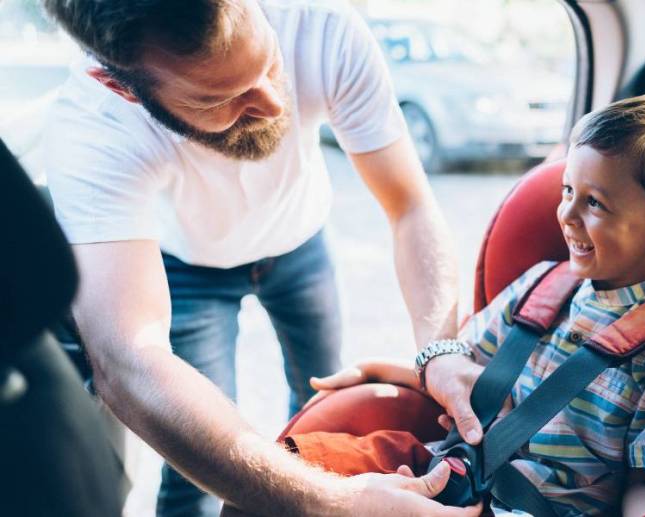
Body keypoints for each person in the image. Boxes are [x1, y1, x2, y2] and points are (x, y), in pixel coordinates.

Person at [39, 0, 475, 515]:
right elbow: (129, 362)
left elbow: (410, 206)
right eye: (218, 97)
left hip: (301, 245)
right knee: (197, 469)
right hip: (189, 268)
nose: (272, 104)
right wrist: (334, 504)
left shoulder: (323, 26)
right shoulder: (93, 127)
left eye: (269, 64)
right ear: (121, 87)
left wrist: (439, 350)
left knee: (319, 410)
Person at [290, 90, 645, 516]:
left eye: (595, 204)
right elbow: (466, 370)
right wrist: (385, 371)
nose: (567, 216)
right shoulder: (542, 285)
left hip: (537, 506)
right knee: (288, 476)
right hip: (450, 468)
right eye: (568, 191)